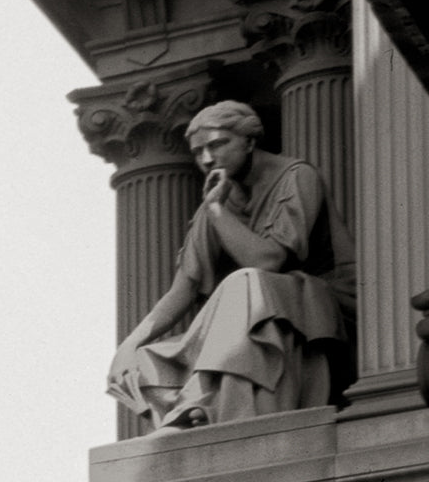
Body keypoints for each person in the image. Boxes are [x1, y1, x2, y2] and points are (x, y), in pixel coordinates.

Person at [107, 100, 356, 434]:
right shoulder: (218, 199)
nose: (207, 159)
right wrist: (128, 346)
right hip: (268, 305)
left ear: (249, 141)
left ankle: (201, 403)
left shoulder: (297, 176)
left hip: (325, 306)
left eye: (217, 145)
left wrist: (216, 210)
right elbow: (185, 287)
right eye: (198, 152)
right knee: (145, 358)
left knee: (246, 282)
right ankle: (200, 407)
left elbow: (269, 260)